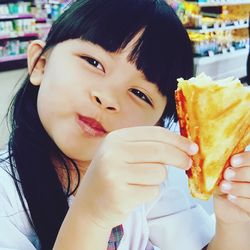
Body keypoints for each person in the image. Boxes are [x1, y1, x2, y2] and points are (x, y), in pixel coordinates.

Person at [0, 0, 249, 249]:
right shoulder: (6, 199)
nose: (108, 98)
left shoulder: (150, 188)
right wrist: (91, 216)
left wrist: (232, 223)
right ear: (39, 64)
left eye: (140, 94)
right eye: (93, 62)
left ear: (158, 125)